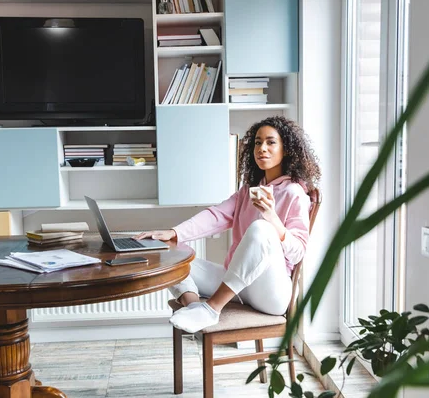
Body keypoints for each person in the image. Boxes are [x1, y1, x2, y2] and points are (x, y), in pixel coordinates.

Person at [135, 116, 321, 333]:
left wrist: (271, 217)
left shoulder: (295, 193)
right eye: (258, 142)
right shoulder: (249, 190)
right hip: (237, 285)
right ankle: (196, 307)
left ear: (286, 149)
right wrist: (173, 232)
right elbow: (215, 216)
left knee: (261, 229)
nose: (262, 148)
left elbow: (298, 252)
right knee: (167, 258)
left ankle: (212, 309)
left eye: (271, 142)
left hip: (271, 293)